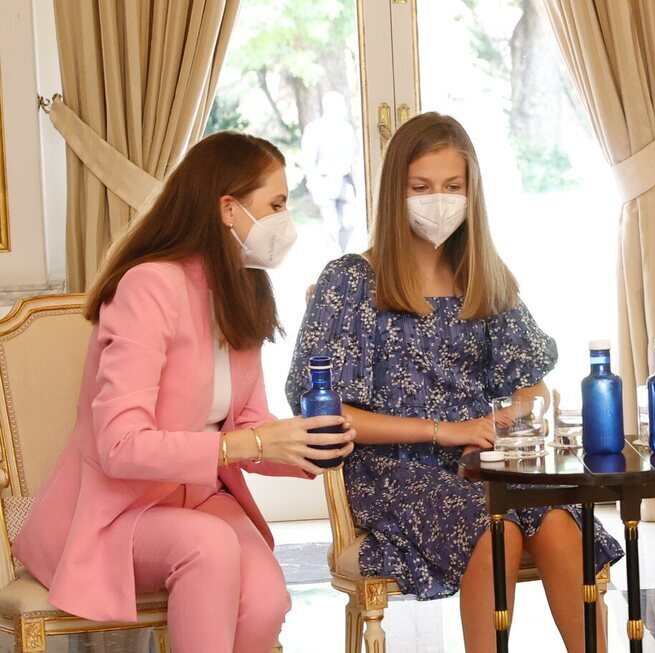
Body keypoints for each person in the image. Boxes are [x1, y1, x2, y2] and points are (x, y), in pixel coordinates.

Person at [286, 112, 623, 652]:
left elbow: (529, 383)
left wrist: (512, 419)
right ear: (395, 191)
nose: (437, 200)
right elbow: (328, 415)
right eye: (421, 187)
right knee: (498, 530)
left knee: (562, 523)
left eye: (452, 186)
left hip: (479, 462)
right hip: (390, 471)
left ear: (472, 193)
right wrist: (447, 430)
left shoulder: (486, 278)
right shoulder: (349, 280)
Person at [13, 132, 356, 653]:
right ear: (228, 209)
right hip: (115, 514)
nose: (287, 220)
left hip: (196, 502)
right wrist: (251, 446)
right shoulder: (149, 286)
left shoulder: (241, 290)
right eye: (277, 204)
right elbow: (120, 444)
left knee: (266, 602)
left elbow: (248, 426)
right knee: (210, 546)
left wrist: (306, 448)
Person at [301, 90, 357, 253]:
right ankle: (334, 259)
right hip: (324, 183)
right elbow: (308, 160)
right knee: (331, 226)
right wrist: (314, 184)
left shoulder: (346, 128)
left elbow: (352, 157)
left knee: (349, 223)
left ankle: (343, 252)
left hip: (345, 183)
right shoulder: (314, 129)